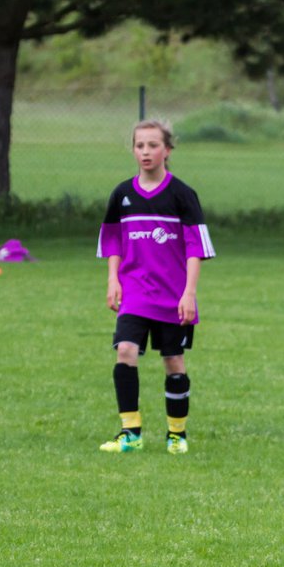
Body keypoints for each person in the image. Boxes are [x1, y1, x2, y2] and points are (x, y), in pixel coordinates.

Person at [97, 120, 215, 455]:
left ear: (168, 149)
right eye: (139, 145)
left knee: (173, 361)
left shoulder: (182, 195)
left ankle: (177, 435)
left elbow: (196, 248)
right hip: (134, 292)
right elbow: (113, 242)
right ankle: (130, 432)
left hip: (173, 296)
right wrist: (112, 280)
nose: (145, 152)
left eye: (152, 145)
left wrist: (189, 293)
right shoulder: (122, 195)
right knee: (125, 351)